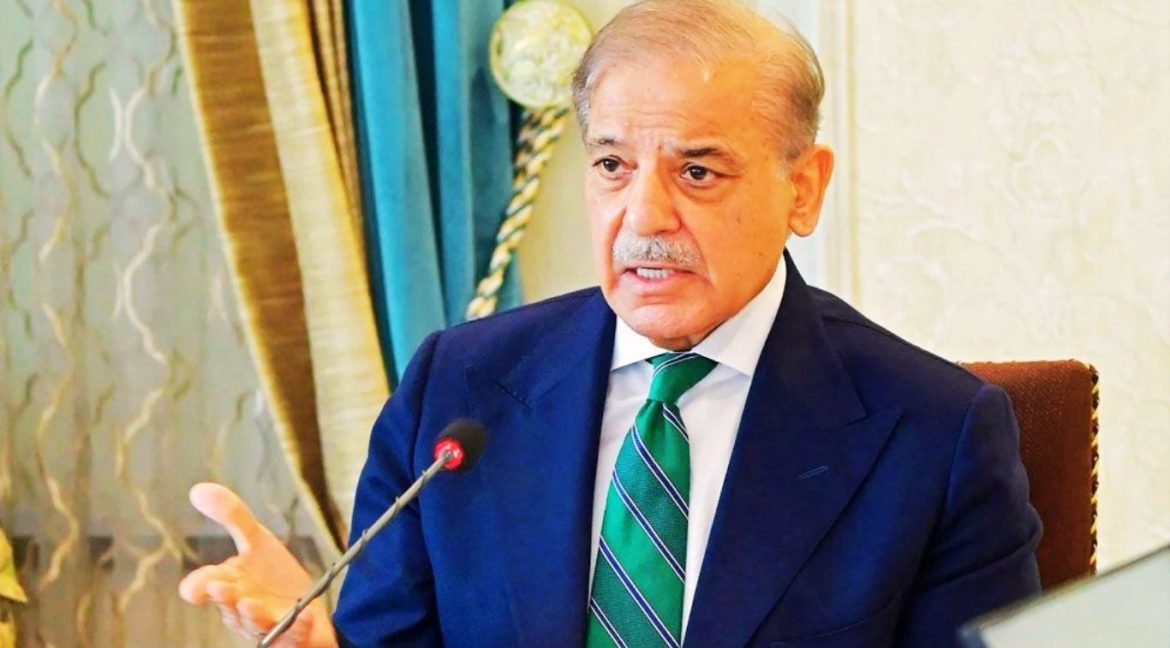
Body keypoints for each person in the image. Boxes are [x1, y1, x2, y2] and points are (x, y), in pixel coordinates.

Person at [179, 1, 1042, 646]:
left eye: (698, 172)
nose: (644, 216)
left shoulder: (933, 434)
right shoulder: (459, 389)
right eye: (612, 165)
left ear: (803, 190)